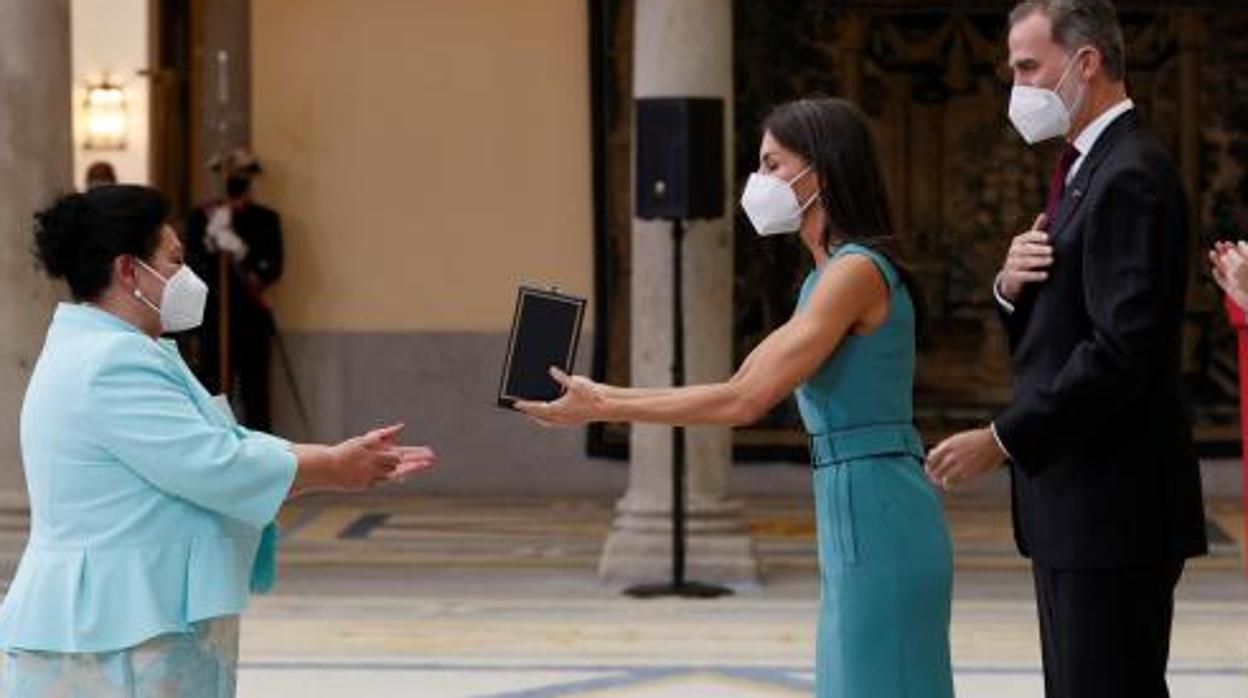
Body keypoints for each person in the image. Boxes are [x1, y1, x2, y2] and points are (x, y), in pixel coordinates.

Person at [518, 97, 953, 698]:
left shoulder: (855, 273)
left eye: (774, 165)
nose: (760, 181)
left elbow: (744, 402)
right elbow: (734, 386)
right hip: (855, 496)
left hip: (878, 501)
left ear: (820, 173)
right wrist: (600, 396)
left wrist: (605, 406)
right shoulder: (822, 280)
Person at [0, 185, 437, 697]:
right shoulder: (110, 362)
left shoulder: (116, 349)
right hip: (119, 631)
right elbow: (213, 464)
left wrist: (328, 459)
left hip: (124, 623)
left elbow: (220, 440)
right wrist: (332, 469)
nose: (188, 277)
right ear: (127, 270)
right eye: (175, 260)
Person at [925, 2, 1207, 696]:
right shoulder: (1086, 168)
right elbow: (1065, 328)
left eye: (1027, 67)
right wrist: (1007, 286)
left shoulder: (1130, 173)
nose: (1015, 87)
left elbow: (1120, 352)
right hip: (1076, 503)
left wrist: (1002, 437)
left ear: (1086, 63)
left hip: (1114, 506)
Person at [187, 147, 284, 430]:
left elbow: (273, 268)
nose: (235, 181)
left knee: (256, 399)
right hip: (214, 320)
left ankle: (263, 465)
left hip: (252, 320)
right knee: (212, 395)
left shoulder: (266, 219)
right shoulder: (203, 218)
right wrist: (209, 242)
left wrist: (240, 249)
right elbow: (191, 265)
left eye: (241, 175)